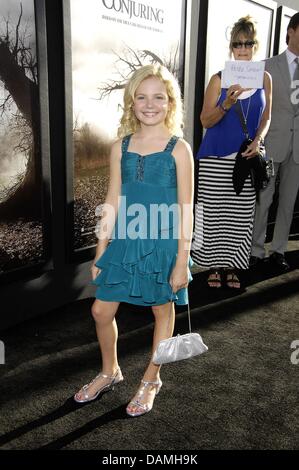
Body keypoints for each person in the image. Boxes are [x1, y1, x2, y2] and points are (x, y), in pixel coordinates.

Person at [74, 64, 194, 417]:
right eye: (141, 97)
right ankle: (110, 371)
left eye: (158, 96)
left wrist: (181, 260)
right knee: (100, 309)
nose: (149, 104)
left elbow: (187, 208)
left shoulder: (179, 148)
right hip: (126, 241)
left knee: (161, 310)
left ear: (170, 103)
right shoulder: (120, 147)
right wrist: (100, 250)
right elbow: (111, 200)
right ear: (131, 103)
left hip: (164, 242)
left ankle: (152, 378)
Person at [192, 16, 272, 289]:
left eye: (248, 43)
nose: (243, 48)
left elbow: (267, 116)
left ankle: (232, 266)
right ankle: (213, 266)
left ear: (255, 46)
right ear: (231, 47)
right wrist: (226, 103)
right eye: (238, 43)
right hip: (215, 157)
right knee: (213, 213)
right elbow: (205, 121)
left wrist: (259, 139)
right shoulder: (218, 79)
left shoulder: (264, 78)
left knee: (239, 216)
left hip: (246, 158)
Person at [250, 12, 299, 271]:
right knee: (264, 199)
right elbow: (256, 105)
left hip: (298, 148)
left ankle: (278, 250)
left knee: (288, 202)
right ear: (290, 30)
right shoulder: (266, 66)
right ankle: (256, 250)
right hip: (271, 142)